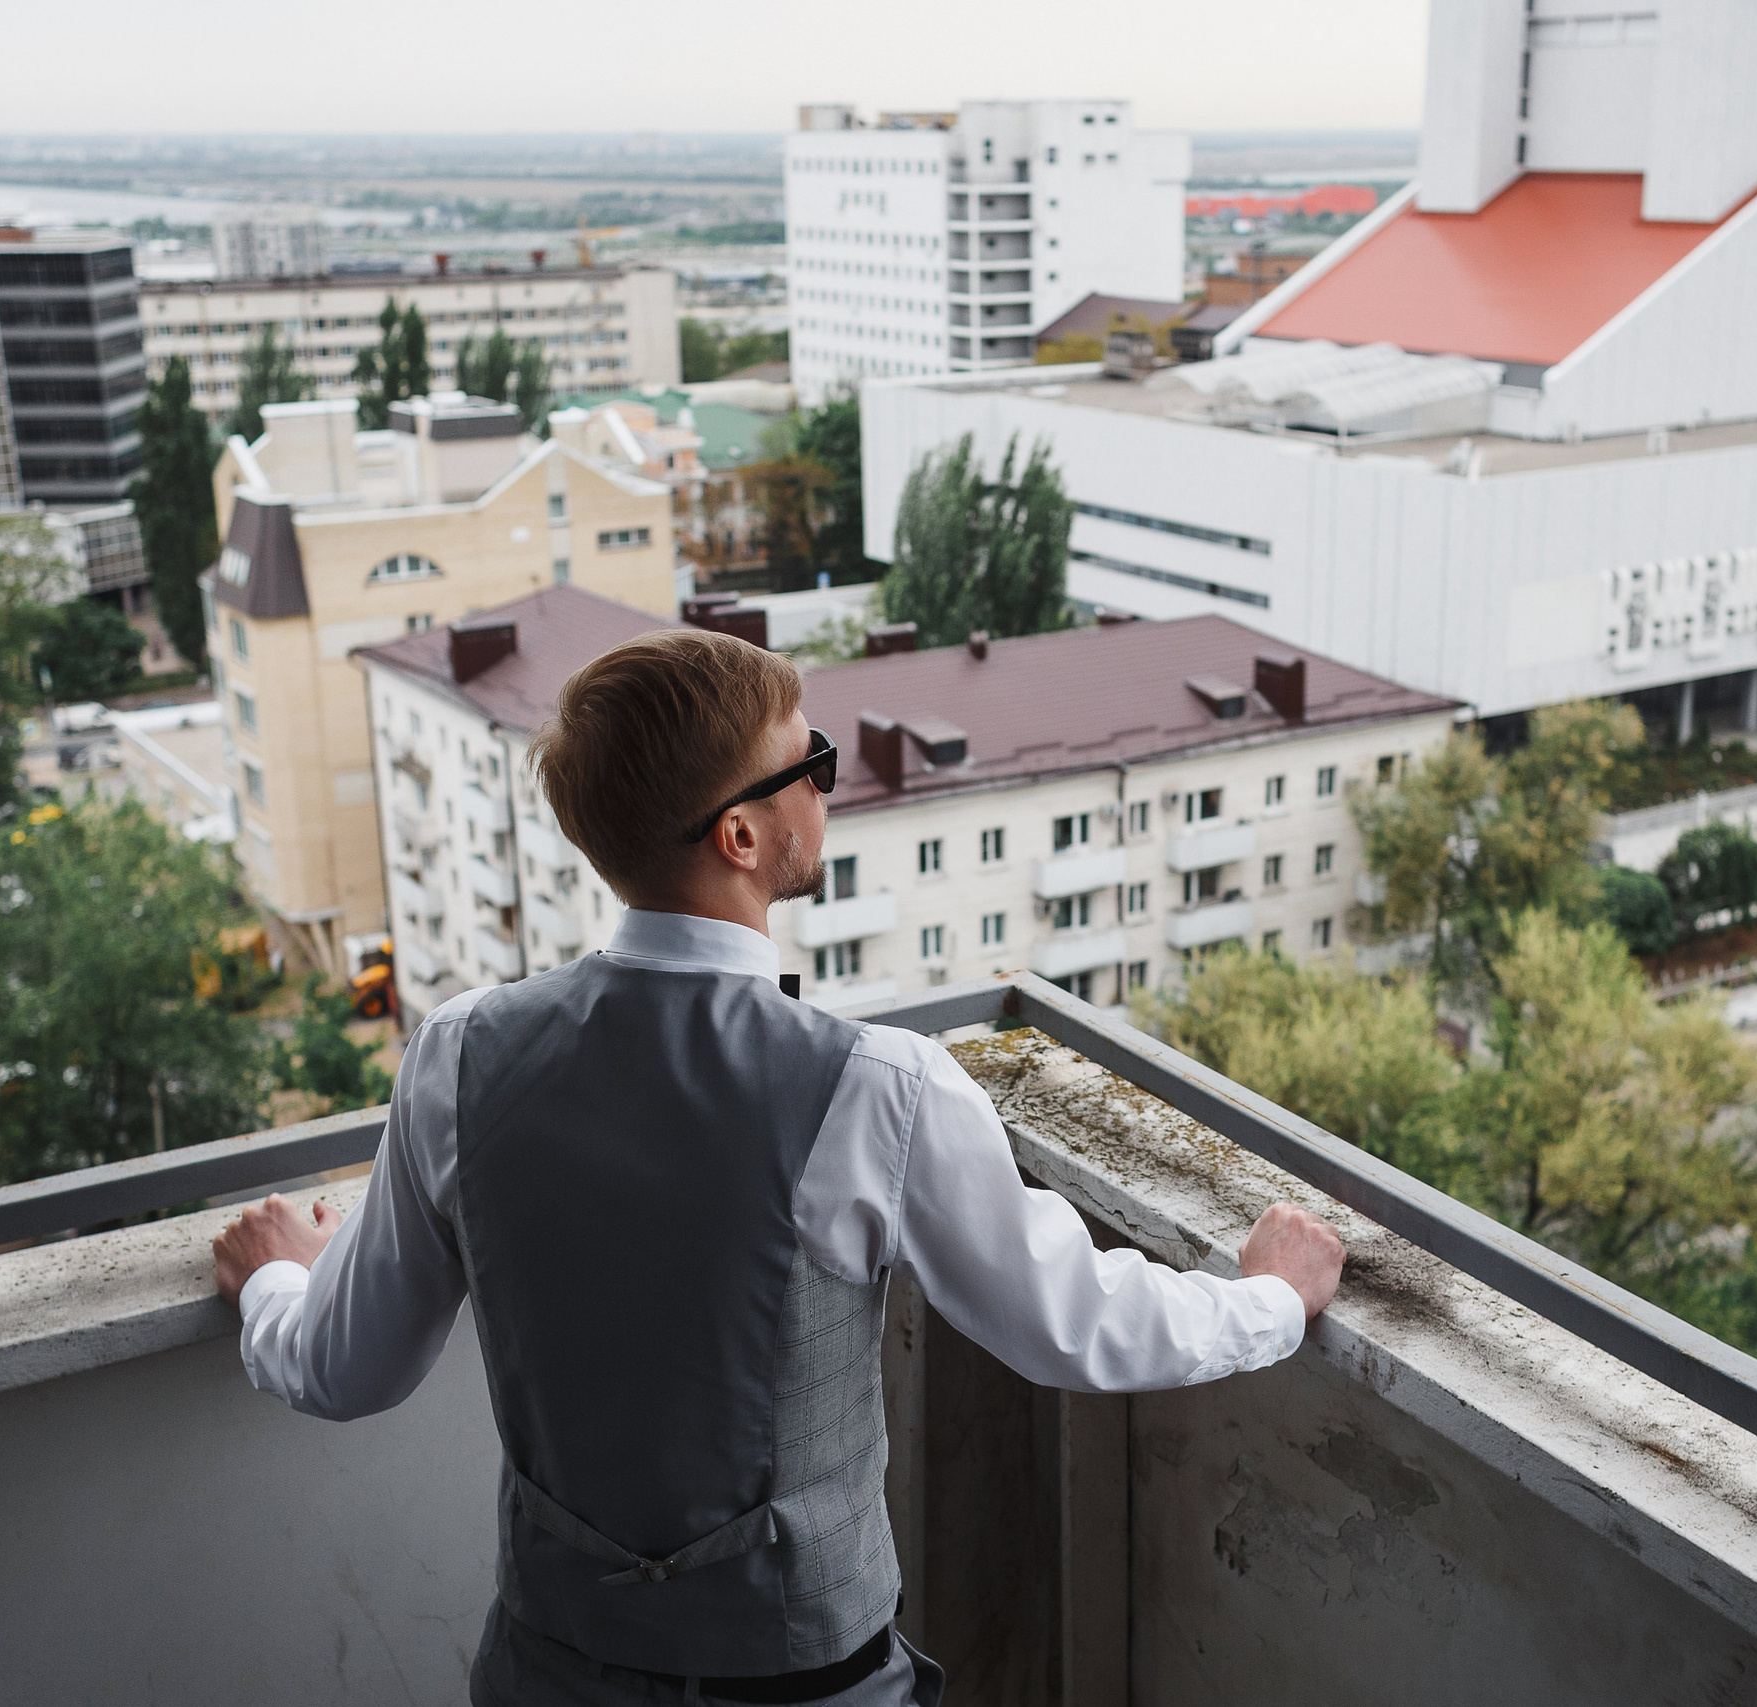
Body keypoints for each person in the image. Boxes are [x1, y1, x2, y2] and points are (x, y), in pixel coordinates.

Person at [211, 630, 1345, 1706]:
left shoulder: (460, 1057)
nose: (824, 784)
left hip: (546, 1673)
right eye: (810, 764)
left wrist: (280, 1280)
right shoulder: (876, 1087)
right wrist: (1268, 1301)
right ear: (739, 838)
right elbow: (1073, 1322)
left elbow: (342, 1370)